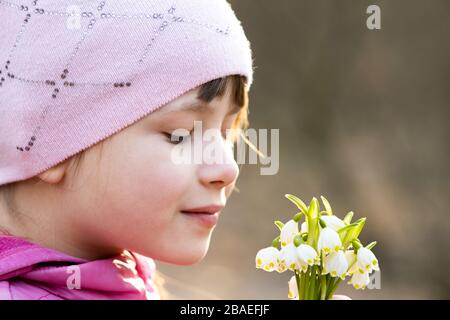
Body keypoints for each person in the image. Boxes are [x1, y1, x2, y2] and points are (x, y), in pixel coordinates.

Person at [0, 0, 253, 299]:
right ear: (45, 143)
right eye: (180, 136)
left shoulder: (125, 281)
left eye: (226, 133)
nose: (228, 168)